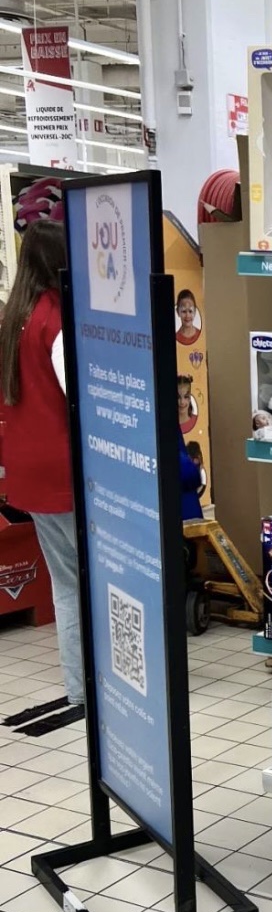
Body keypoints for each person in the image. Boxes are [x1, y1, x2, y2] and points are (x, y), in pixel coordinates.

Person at [0, 221, 83, 705]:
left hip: (27, 471)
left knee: (64, 583)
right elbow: (78, 398)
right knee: (84, 582)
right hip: (63, 471)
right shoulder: (55, 319)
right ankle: (92, 686)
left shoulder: (14, 317)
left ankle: (78, 686)